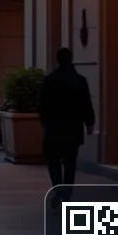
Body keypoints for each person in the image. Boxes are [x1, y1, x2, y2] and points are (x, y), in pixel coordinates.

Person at [39, 47, 95, 193]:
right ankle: (67, 193)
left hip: (54, 128)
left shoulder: (50, 80)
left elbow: (42, 105)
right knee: (70, 163)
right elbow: (86, 103)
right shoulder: (80, 80)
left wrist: (45, 122)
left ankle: (58, 188)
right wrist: (89, 122)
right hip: (73, 128)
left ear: (57, 59)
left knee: (53, 161)